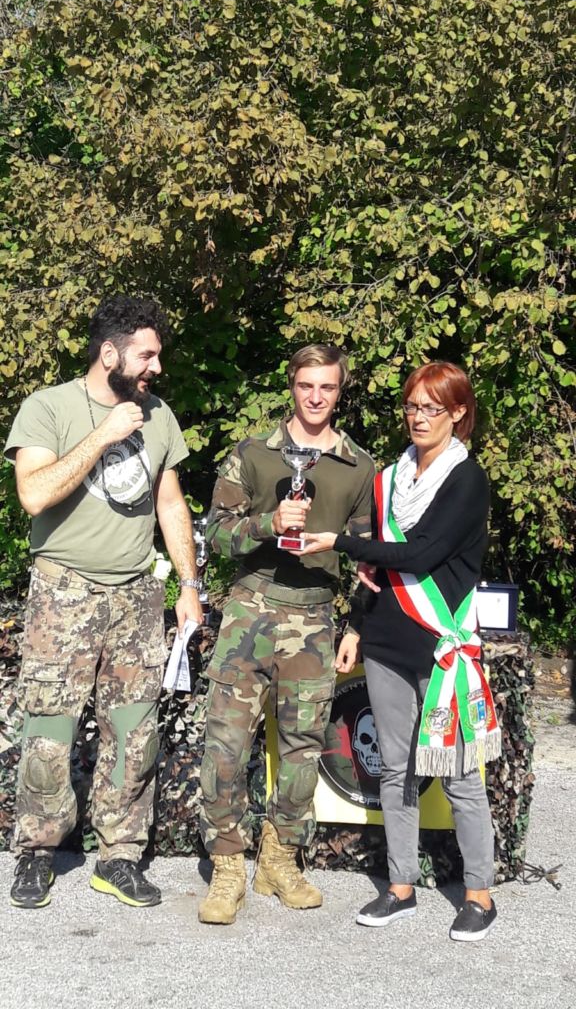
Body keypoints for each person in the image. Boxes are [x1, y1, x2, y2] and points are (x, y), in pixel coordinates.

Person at [5, 294, 202, 910]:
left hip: (137, 595)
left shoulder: (159, 414)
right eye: (147, 355)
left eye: (158, 356)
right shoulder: (49, 407)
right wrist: (104, 433)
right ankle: (38, 851)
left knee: (133, 731)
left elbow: (169, 502)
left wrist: (189, 586)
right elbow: (34, 494)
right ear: (110, 353)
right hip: (64, 591)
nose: (156, 368)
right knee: (49, 727)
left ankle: (119, 856)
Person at [297, 361, 501, 942]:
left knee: (458, 774)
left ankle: (479, 894)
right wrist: (356, 626)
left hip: (440, 648)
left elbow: (419, 554)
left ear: (457, 413)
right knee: (396, 769)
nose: (418, 417)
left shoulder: (468, 481)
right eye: (412, 406)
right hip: (386, 642)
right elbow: (375, 572)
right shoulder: (390, 479)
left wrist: (339, 541)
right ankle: (401, 885)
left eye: (431, 408)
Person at [198, 344, 374, 925]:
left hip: (315, 617)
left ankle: (278, 859)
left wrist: (357, 624)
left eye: (327, 387)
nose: (316, 397)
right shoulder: (253, 454)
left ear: (340, 391)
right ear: (292, 386)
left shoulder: (359, 467)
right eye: (306, 385)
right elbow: (216, 535)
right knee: (226, 745)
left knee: (303, 748)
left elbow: (368, 559)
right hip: (249, 611)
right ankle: (227, 865)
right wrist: (266, 525)